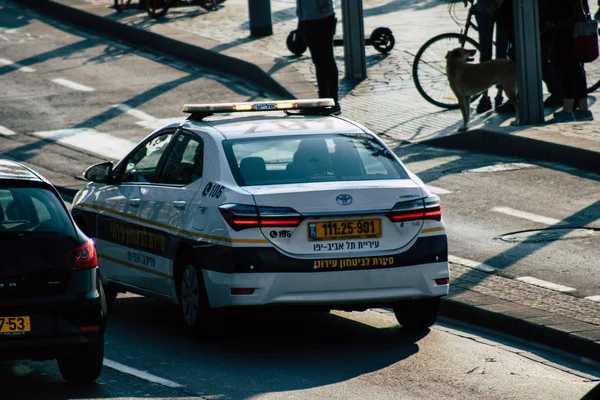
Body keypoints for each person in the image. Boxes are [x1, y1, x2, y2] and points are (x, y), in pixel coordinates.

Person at [548, 0, 594, 122]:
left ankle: (568, 110)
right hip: (576, 21)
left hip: (564, 24)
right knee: (577, 67)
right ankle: (583, 109)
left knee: (566, 67)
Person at [296, 0, 341, 114]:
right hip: (307, 19)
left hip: (323, 18)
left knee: (327, 59)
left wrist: (321, 6)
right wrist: (300, 21)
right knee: (318, 62)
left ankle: (333, 101)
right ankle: (322, 100)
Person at [471, 0, 509, 113]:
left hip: (494, 8)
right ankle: (498, 96)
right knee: (500, 52)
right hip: (501, 8)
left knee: (486, 53)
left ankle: (486, 97)